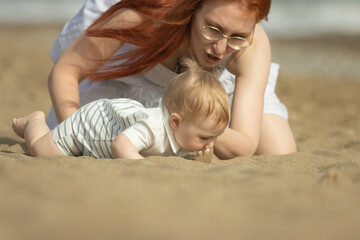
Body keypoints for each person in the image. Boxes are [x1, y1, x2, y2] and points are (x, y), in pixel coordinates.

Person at [46, 0, 297, 159]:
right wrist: (74, 126)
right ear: (193, 8)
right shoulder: (146, 15)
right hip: (126, 77)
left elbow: (244, 145)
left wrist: (198, 122)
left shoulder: (249, 46)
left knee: (280, 152)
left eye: (238, 36)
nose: (220, 49)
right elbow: (65, 71)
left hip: (209, 95)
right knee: (67, 136)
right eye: (212, 28)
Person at [12, 59, 230, 159]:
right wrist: (143, 167)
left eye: (214, 137)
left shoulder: (184, 134)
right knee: (42, 152)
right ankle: (34, 121)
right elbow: (121, 144)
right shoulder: (153, 128)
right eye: (204, 138)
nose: (210, 144)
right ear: (175, 122)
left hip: (110, 123)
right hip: (89, 125)